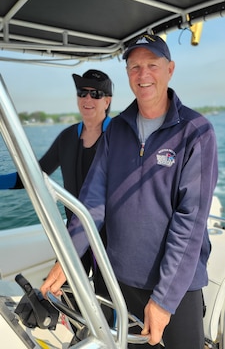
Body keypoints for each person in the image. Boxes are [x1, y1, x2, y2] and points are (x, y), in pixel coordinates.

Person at [41, 34, 218, 349]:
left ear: (170, 69)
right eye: (134, 66)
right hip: (121, 280)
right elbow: (92, 204)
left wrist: (163, 300)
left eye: (152, 64)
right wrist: (68, 258)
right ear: (127, 74)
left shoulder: (196, 132)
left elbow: (190, 222)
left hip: (177, 288)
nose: (143, 74)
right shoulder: (117, 131)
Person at [0, 69, 113, 273]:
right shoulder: (67, 138)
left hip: (111, 239)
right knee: (65, 293)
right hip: (74, 233)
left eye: (95, 94)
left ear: (107, 101)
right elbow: (33, 175)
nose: (88, 98)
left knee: (108, 299)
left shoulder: (120, 137)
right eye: (82, 92)